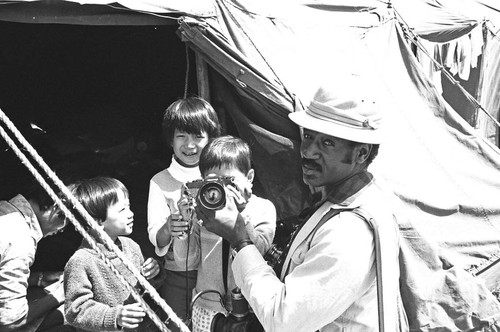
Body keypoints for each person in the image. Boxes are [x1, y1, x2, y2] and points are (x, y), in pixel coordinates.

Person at [196, 73, 408, 331]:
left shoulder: (349, 230)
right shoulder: (342, 201)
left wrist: (240, 239)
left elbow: (283, 319)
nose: (307, 152)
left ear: (361, 153)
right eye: (308, 137)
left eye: (327, 143)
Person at [173, 135, 276, 332]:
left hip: (250, 310)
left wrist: (240, 215)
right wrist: (183, 228)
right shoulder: (201, 211)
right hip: (207, 308)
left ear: (250, 178)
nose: (221, 189)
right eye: (214, 182)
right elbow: (187, 261)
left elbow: (260, 252)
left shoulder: (263, 208)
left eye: (228, 181)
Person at [147, 96, 221, 326]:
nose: (189, 145)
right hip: (178, 276)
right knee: (177, 324)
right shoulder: (159, 181)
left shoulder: (219, 177)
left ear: (211, 139)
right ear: (170, 140)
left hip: (217, 276)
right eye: (181, 136)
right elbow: (156, 237)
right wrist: (170, 226)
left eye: (198, 136)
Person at [64, 177, 163, 331]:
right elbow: (75, 310)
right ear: (97, 221)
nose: (131, 214)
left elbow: (145, 291)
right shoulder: (82, 260)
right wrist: (115, 316)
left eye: (128, 207)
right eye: (122, 210)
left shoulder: (131, 247)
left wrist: (153, 273)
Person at [0, 182, 72, 332]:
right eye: (69, 219)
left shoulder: (5, 210)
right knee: (70, 318)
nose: (64, 229)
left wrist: (38, 278)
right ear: (58, 206)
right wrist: (58, 296)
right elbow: (10, 320)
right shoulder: (20, 239)